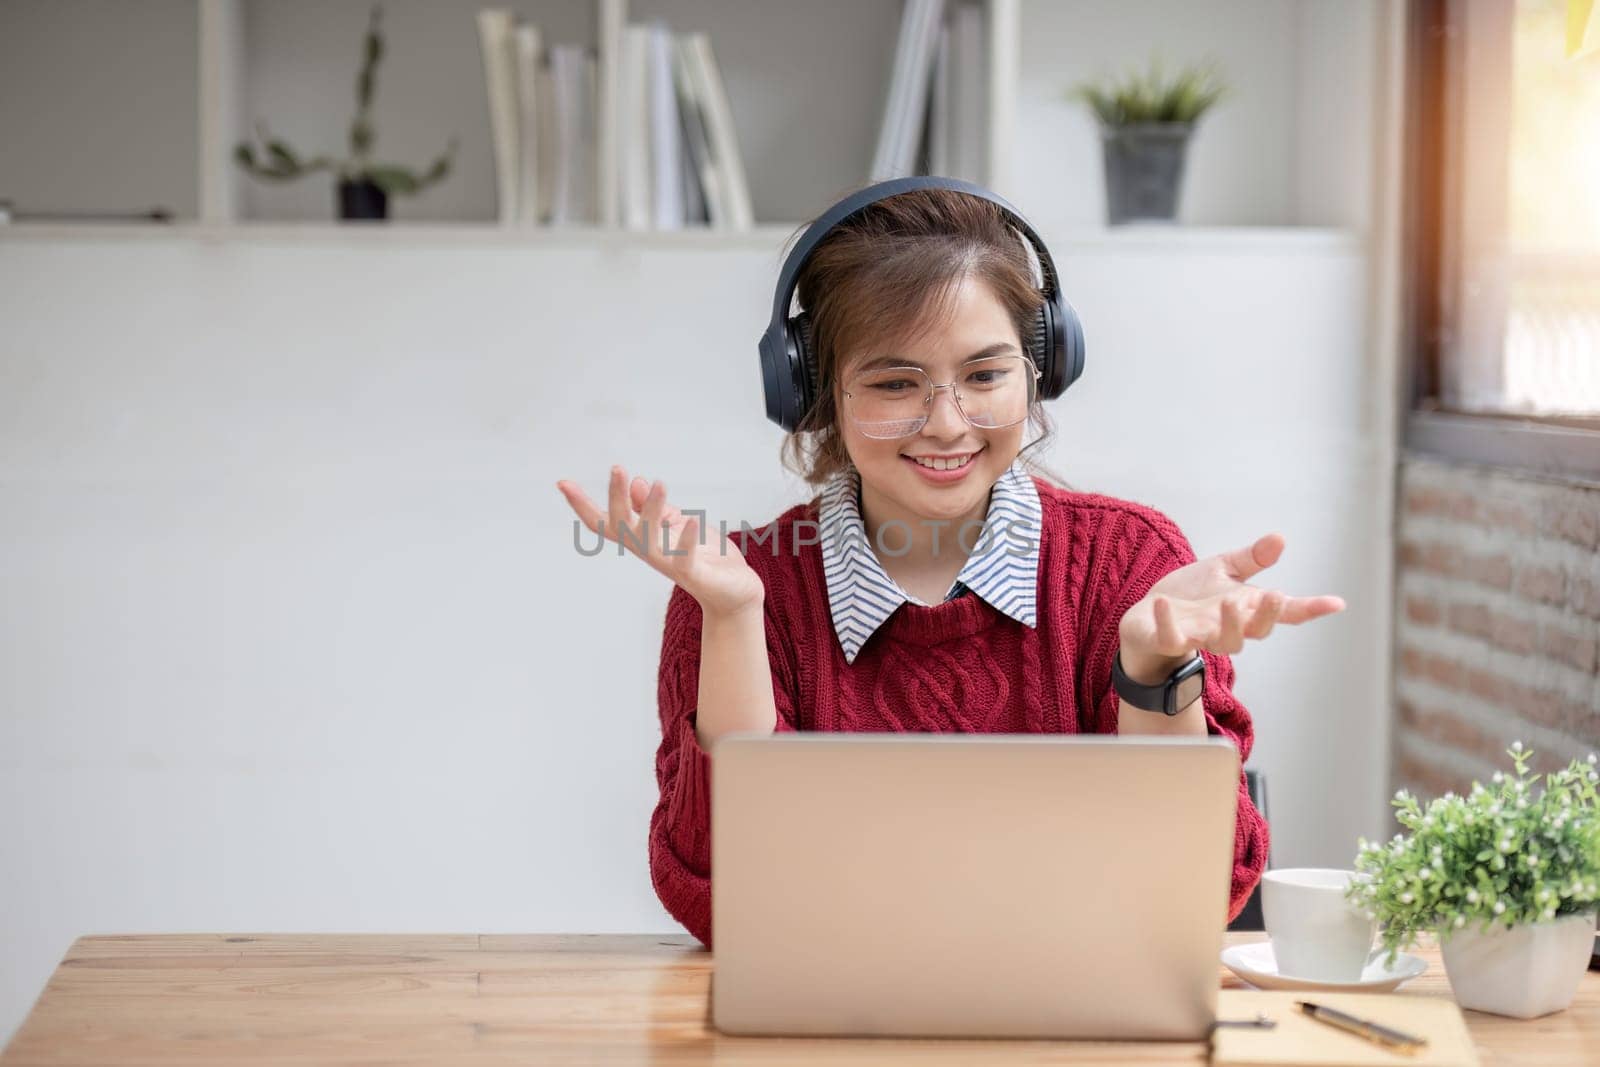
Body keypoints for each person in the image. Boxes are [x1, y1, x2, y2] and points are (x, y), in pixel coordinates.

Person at [556, 179, 1345, 950]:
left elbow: (1196, 890)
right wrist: (732, 622)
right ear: (814, 390)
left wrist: (1151, 668)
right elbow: (724, 905)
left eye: (984, 376)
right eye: (896, 382)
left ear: (1042, 369)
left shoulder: (1130, 566)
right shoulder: (740, 589)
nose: (945, 424)